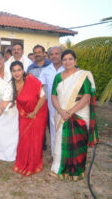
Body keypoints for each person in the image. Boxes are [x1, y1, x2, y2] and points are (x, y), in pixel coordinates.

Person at [50, 50, 99, 181]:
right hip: (62, 113)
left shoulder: (83, 76)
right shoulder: (58, 77)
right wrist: (61, 111)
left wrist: (70, 112)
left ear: (75, 60)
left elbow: (86, 96)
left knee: (78, 144)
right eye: (65, 59)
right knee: (60, 141)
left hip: (79, 113)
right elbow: (53, 96)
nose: (67, 62)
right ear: (62, 62)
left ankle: (76, 171)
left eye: (70, 59)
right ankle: (58, 169)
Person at [8, 61, 48, 176]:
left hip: (38, 113)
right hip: (24, 114)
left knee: (35, 139)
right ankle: (23, 162)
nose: (17, 73)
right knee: (24, 138)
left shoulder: (31, 79)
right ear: (11, 72)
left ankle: (34, 165)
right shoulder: (12, 85)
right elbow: (13, 99)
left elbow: (43, 97)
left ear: (23, 70)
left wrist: (34, 112)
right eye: (14, 71)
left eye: (19, 70)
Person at [39, 46, 65, 156]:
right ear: (49, 56)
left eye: (57, 53)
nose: (54, 56)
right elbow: (38, 86)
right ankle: (55, 156)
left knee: (66, 130)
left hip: (67, 105)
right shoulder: (46, 70)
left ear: (61, 55)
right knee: (54, 130)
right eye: (52, 54)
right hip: (52, 107)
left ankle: (66, 156)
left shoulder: (69, 68)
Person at [27, 44, 51, 151]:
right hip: (37, 101)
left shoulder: (50, 65)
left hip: (50, 100)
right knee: (39, 124)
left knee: (51, 124)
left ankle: (55, 147)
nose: (37, 54)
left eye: (39, 52)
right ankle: (41, 146)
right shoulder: (31, 68)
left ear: (44, 53)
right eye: (35, 52)